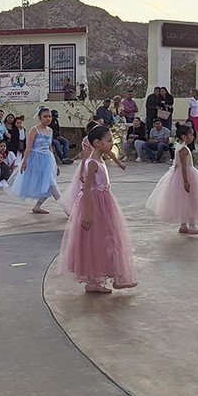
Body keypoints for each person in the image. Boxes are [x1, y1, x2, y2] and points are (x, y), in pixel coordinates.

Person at [58, 125, 137, 294]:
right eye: (109, 140)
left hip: (104, 202)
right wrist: (87, 214)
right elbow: (86, 189)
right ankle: (95, 280)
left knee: (106, 238)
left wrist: (119, 163)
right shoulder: (93, 163)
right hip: (96, 205)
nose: (111, 143)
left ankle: (104, 279)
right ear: (97, 143)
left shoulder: (99, 159)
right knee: (98, 240)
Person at [146, 125, 198, 235]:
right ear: (184, 137)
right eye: (191, 135)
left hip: (179, 175)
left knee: (183, 200)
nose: (193, 137)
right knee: (192, 200)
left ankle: (183, 225)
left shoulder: (179, 147)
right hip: (187, 175)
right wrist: (186, 181)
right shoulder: (184, 149)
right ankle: (191, 225)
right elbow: (184, 166)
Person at [5, 106, 67, 215]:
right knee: (51, 184)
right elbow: (28, 147)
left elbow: (50, 147)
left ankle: (37, 206)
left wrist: (55, 164)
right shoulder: (34, 130)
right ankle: (67, 210)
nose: (48, 119)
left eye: (49, 116)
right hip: (36, 159)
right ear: (39, 118)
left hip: (47, 159)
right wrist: (25, 162)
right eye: (45, 116)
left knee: (49, 183)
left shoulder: (50, 130)